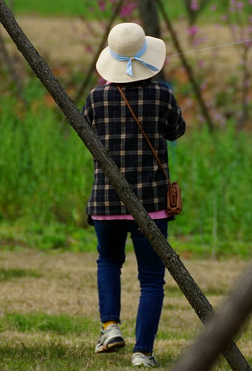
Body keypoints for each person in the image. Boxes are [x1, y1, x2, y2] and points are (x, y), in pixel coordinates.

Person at [82, 22, 186, 367]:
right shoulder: (162, 95)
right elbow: (178, 130)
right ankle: (143, 353)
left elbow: (87, 134)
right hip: (152, 205)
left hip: (106, 203)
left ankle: (110, 327)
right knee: (152, 280)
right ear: (147, 58)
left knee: (109, 261)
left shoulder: (97, 97)